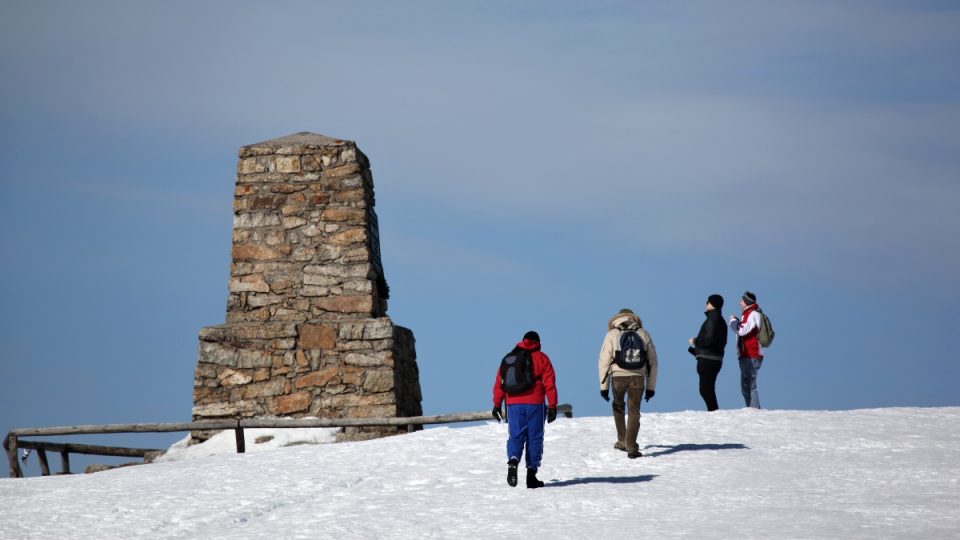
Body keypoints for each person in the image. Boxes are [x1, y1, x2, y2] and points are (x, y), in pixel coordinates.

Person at [492, 330, 558, 489]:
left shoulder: (509, 358)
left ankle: (513, 461)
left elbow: (499, 383)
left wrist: (496, 405)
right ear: (538, 343)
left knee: (516, 435)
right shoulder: (542, 358)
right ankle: (531, 475)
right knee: (534, 437)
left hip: (513, 403)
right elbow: (549, 383)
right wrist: (553, 405)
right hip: (535, 403)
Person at [598, 309, 658, 459]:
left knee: (618, 406)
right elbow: (653, 362)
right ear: (633, 319)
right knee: (634, 410)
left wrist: (603, 387)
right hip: (638, 376)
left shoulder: (612, 334)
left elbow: (603, 361)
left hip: (618, 376)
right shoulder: (643, 333)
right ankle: (631, 446)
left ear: (617, 319)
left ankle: (622, 440)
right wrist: (651, 387)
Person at [688, 294, 728, 411]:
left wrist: (695, 341)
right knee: (707, 389)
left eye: (708, 302)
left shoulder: (712, 319)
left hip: (708, 360)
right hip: (714, 359)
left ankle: (714, 413)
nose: (706, 304)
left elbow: (709, 339)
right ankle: (714, 413)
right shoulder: (721, 321)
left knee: (706, 390)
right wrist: (696, 351)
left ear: (713, 304)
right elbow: (716, 343)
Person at [729, 291, 764, 408]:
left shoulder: (751, 314)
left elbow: (741, 330)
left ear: (747, 302)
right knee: (746, 386)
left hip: (750, 354)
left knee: (749, 386)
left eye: (742, 300)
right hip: (750, 354)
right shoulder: (751, 314)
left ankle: (754, 412)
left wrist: (733, 321)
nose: (740, 302)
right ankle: (752, 410)